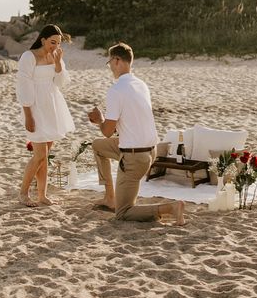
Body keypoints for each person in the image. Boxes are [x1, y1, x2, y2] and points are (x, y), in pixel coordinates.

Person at [88, 42, 185, 225]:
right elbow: (128, 123)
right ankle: (110, 197)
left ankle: (170, 208)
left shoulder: (116, 90)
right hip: (150, 151)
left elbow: (108, 132)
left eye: (109, 63)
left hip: (134, 157)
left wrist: (100, 120)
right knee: (98, 146)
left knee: (123, 213)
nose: (110, 68)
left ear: (116, 61)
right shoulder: (141, 85)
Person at [16, 24, 75, 207]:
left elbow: (60, 83)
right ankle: (23, 193)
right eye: (52, 42)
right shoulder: (29, 56)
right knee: (39, 154)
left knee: (45, 154)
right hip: (35, 107)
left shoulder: (56, 56)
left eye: (58, 43)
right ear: (42, 39)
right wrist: (28, 115)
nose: (55, 46)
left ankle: (42, 195)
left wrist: (58, 64)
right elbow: (23, 85)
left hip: (53, 106)